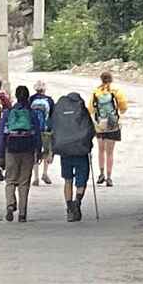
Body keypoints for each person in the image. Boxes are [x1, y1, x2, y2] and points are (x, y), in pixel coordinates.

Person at [0, 84, 43, 223]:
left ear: (16, 96)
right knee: (24, 182)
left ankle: (10, 205)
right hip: (28, 149)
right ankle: (22, 214)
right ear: (28, 97)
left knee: (10, 180)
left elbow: (1, 135)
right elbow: (37, 134)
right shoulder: (31, 113)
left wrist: (0, 153)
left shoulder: (8, 113)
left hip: (11, 149)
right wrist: (38, 150)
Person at [50, 91, 96, 222]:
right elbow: (90, 129)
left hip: (65, 151)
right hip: (80, 151)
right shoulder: (82, 110)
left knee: (68, 180)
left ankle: (69, 208)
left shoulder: (59, 111)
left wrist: (50, 150)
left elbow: (52, 128)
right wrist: (88, 144)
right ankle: (77, 202)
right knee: (81, 180)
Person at [89, 71, 128, 187]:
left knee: (101, 150)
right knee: (110, 153)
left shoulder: (96, 91)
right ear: (111, 79)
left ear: (101, 79)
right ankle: (109, 177)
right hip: (112, 125)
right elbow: (123, 107)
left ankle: (101, 174)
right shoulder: (116, 91)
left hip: (100, 125)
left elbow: (90, 108)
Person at [28, 80, 56, 187]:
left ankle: (35, 177)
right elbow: (53, 116)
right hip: (46, 129)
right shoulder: (49, 100)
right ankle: (45, 173)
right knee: (46, 150)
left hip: (34, 130)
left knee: (35, 151)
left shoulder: (31, 99)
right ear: (44, 89)